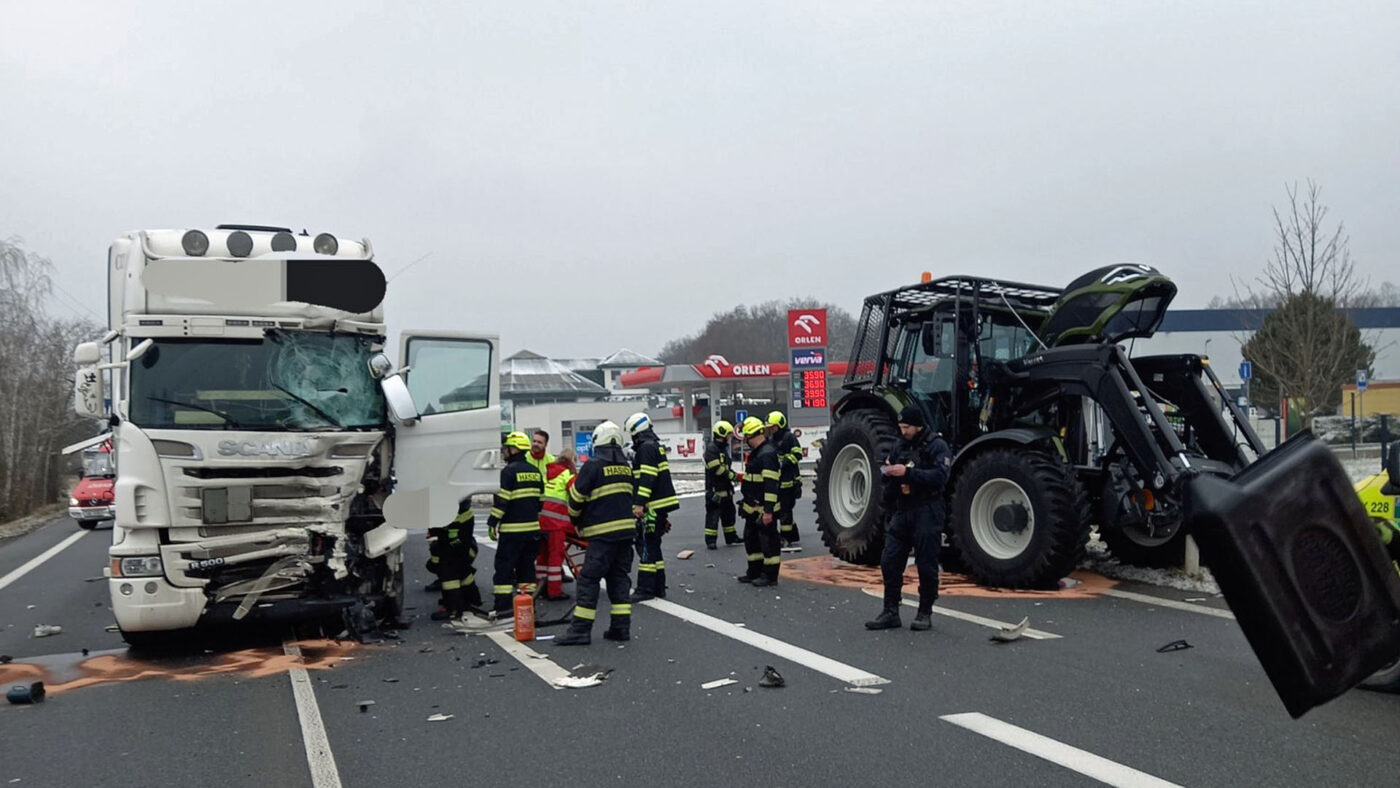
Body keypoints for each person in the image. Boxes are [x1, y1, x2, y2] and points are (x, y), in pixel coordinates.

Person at [866, 405, 951, 631]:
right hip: (903, 510)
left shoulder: (936, 446)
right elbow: (888, 477)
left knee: (926, 564)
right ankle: (890, 611)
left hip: (927, 509)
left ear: (918, 425)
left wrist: (908, 473)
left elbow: (941, 476)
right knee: (890, 560)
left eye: (907, 427)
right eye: (901, 426)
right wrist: (888, 472)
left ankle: (925, 612)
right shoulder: (899, 445)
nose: (903, 430)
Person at [556, 422, 637, 646]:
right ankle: (621, 628)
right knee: (619, 579)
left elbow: (575, 500)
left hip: (601, 537)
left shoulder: (592, 467)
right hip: (625, 535)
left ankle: (580, 630)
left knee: (589, 580)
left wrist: (576, 520)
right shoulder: (626, 469)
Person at [486, 431, 544, 616]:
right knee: (526, 569)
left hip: (512, 531)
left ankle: (503, 607)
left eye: (506, 448)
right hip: (533, 529)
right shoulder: (535, 472)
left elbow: (502, 501)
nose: (504, 452)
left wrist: (492, 522)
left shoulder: (508, 472)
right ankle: (527, 605)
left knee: (504, 568)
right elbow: (541, 501)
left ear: (514, 449)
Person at [625, 412, 679, 601]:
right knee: (654, 545)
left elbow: (647, 478)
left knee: (647, 545)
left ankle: (646, 589)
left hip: (652, 505)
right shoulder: (654, 446)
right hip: (659, 504)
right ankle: (658, 587)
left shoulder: (646, 448)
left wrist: (639, 503)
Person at [736, 416, 782, 587]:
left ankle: (770, 576)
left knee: (768, 543)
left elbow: (771, 486)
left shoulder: (767, 454)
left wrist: (768, 511)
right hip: (752, 507)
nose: (746, 441)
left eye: (747, 437)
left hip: (764, 508)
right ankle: (754, 571)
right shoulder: (758, 453)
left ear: (753, 435)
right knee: (751, 539)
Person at [536, 448, 577, 601]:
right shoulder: (568, 475)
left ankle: (540, 587)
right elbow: (577, 496)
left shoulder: (548, 473)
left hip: (541, 521)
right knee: (555, 557)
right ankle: (554, 591)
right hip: (556, 523)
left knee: (542, 556)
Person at [429, 499, 481, 620]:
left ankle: (454, 608)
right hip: (462, 538)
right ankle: (472, 599)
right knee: (462, 570)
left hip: (452, 533)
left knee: (448, 575)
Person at [765, 410, 804, 548]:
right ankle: (792, 535)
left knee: (785, 512)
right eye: (769, 427)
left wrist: (783, 461)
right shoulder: (771, 440)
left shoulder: (789, 437)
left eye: (773, 426)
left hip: (789, 481)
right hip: (777, 482)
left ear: (780, 424)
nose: (771, 429)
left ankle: (787, 538)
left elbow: (798, 454)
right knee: (778, 511)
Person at [703, 420, 741, 549]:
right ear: (722, 434)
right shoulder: (711, 449)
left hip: (726, 489)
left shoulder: (723, 449)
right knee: (713, 516)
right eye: (728, 435)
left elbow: (725, 466)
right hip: (715, 490)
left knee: (729, 515)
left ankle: (731, 537)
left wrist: (733, 474)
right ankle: (711, 540)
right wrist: (729, 474)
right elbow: (716, 469)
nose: (729, 438)